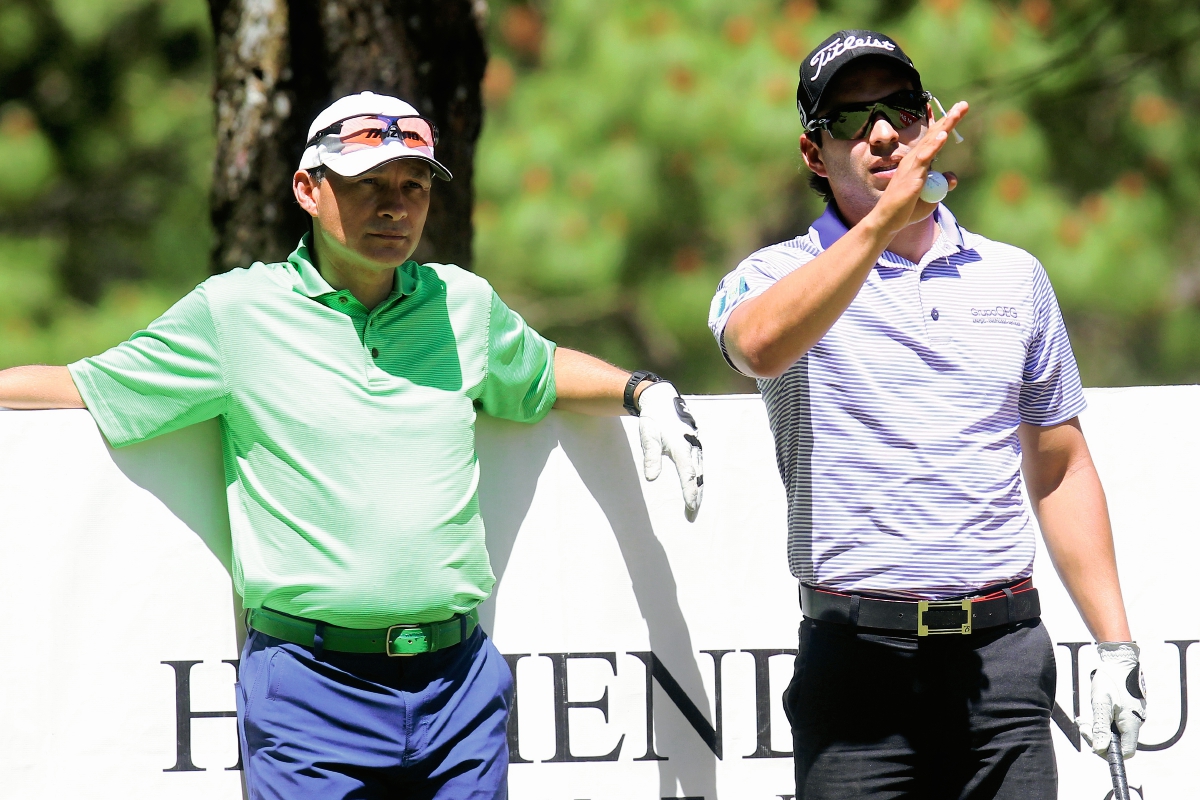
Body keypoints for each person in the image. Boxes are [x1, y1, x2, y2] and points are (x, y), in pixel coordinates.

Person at [0, 91, 704, 799]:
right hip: (310, 690)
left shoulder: (463, 304)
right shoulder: (235, 314)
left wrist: (642, 391)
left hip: (458, 684)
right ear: (308, 189)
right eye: (366, 185)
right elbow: (80, 385)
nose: (394, 207)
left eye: (413, 186)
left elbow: (543, 367)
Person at [708, 30, 1145, 799]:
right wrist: (880, 223)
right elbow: (759, 348)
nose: (881, 134)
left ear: (929, 121)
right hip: (858, 666)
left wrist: (1115, 646)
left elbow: (1059, 463)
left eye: (900, 110)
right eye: (849, 120)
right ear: (815, 154)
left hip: (1004, 660)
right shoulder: (775, 274)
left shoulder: (1015, 277)